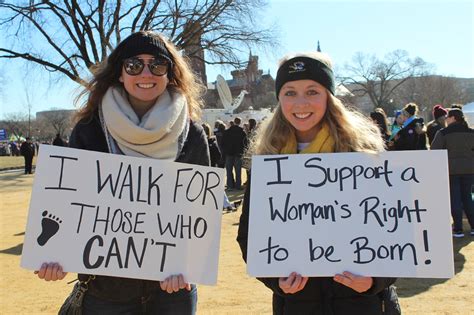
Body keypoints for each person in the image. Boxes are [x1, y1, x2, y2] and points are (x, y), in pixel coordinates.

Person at [34, 30, 210, 314]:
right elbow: (69, 202)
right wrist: (56, 254)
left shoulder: (192, 134)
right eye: (134, 65)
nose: (146, 72)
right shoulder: (90, 130)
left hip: (171, 287)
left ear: (169, 74)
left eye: (158, 65)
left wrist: (188, 264)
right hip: (107, 289)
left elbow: (199, 211)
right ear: (119, 73)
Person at [237, 52, 398, 314]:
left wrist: (374, 281)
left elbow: (398, 232)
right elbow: (250, 238)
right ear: (279, 99)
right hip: (299, 305)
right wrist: (276, 281)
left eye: (312, 91)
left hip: (364, 304)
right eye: (290, 92)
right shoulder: (269, 159)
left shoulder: (365, 154)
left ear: (329, 97)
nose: (301, 103)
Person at [431, 108, 474, 238]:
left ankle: (458, 229)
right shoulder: (471, 132)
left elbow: (434, 150)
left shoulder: (443, 132)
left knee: (455, 198)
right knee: (468, 197)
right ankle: (473, 227)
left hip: (450, 170)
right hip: (469, 169)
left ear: (453, 118)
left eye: (448, 117)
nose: (446, 119)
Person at [222, 116, 248, 190]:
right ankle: (238, 186)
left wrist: (225, 151)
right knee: (238, 171)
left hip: (229, 153)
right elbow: (245, 143)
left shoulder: (227, 132)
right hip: (238, 154)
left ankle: (230, 186)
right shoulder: (242, 132)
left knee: (229, 171)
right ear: (239, 122)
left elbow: (223, 143)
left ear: (234, 122)